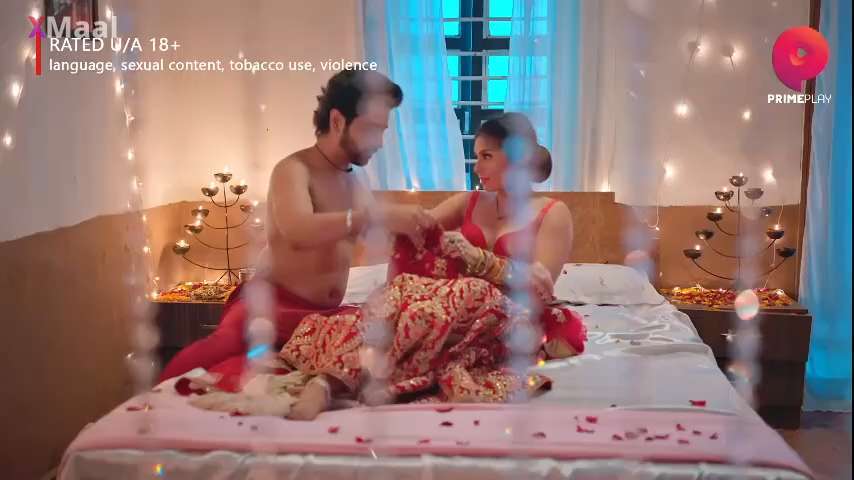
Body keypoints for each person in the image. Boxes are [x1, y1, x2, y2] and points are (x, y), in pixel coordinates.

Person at [159, 70, 436, 386]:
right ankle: (148, 407)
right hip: (272, 309)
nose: (380, 142)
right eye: (372, 129)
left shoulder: (356, 181)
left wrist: (424, 227)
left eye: (383, 131)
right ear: (337, 121)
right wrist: (372, 217)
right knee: (218, 352)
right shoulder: (293, 170)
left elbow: (378, 233)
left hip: (320, 320)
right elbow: (299, 229)